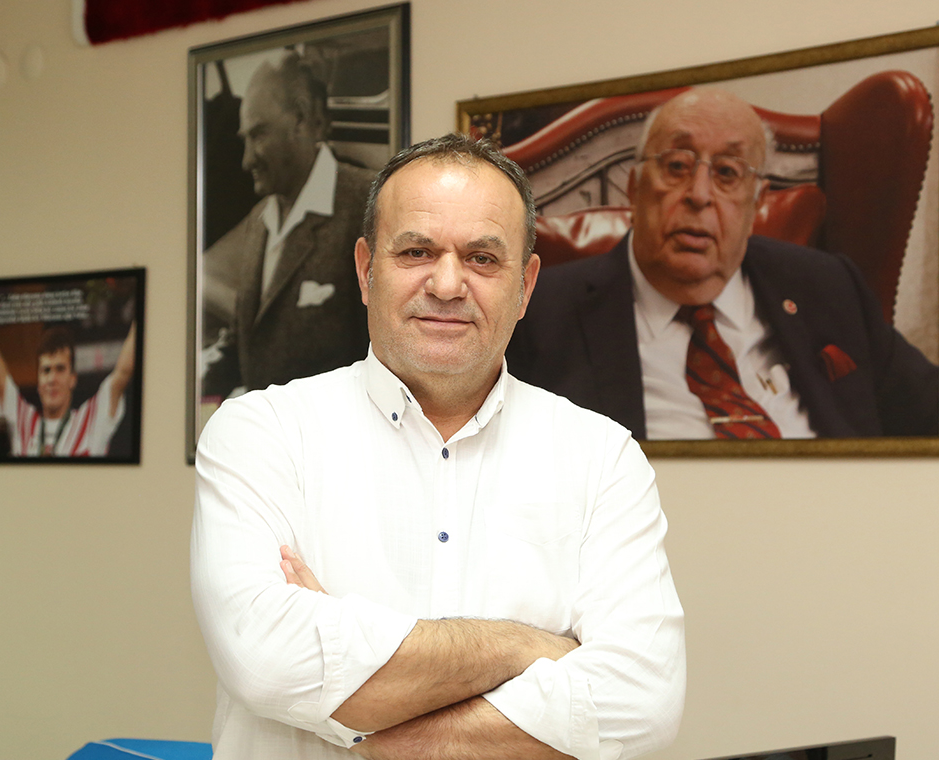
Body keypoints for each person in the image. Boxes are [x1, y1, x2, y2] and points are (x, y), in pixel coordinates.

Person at [191, 134, 685, 760]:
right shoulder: (261, 432)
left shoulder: (603, 459)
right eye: (417, 251)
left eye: (482, 258)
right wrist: (524, 647)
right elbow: (267, 662)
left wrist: (359, 713)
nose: (448, 284)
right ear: (366, 270)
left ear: (526, 285)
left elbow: (643, 702)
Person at [508, 88, 939, 441]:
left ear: (756, 204)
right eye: (677, 166)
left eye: (728, 173)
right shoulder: (538, 314)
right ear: (635, 189)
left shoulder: (828, 287)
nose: (699, 195)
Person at [202, 51, 374, 399]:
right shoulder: (260, 221)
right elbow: (248, 337)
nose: (246, 160)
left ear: (302, 119)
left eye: (259, 135)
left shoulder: (368, 204)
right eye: (245, 140)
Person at [0, 290, 136, 457]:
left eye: (60, 369)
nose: (52, 379)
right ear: (38, 381)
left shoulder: (91, 420)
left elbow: (123, 371)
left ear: (73, 379)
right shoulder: (22, 420)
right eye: (46, 370)